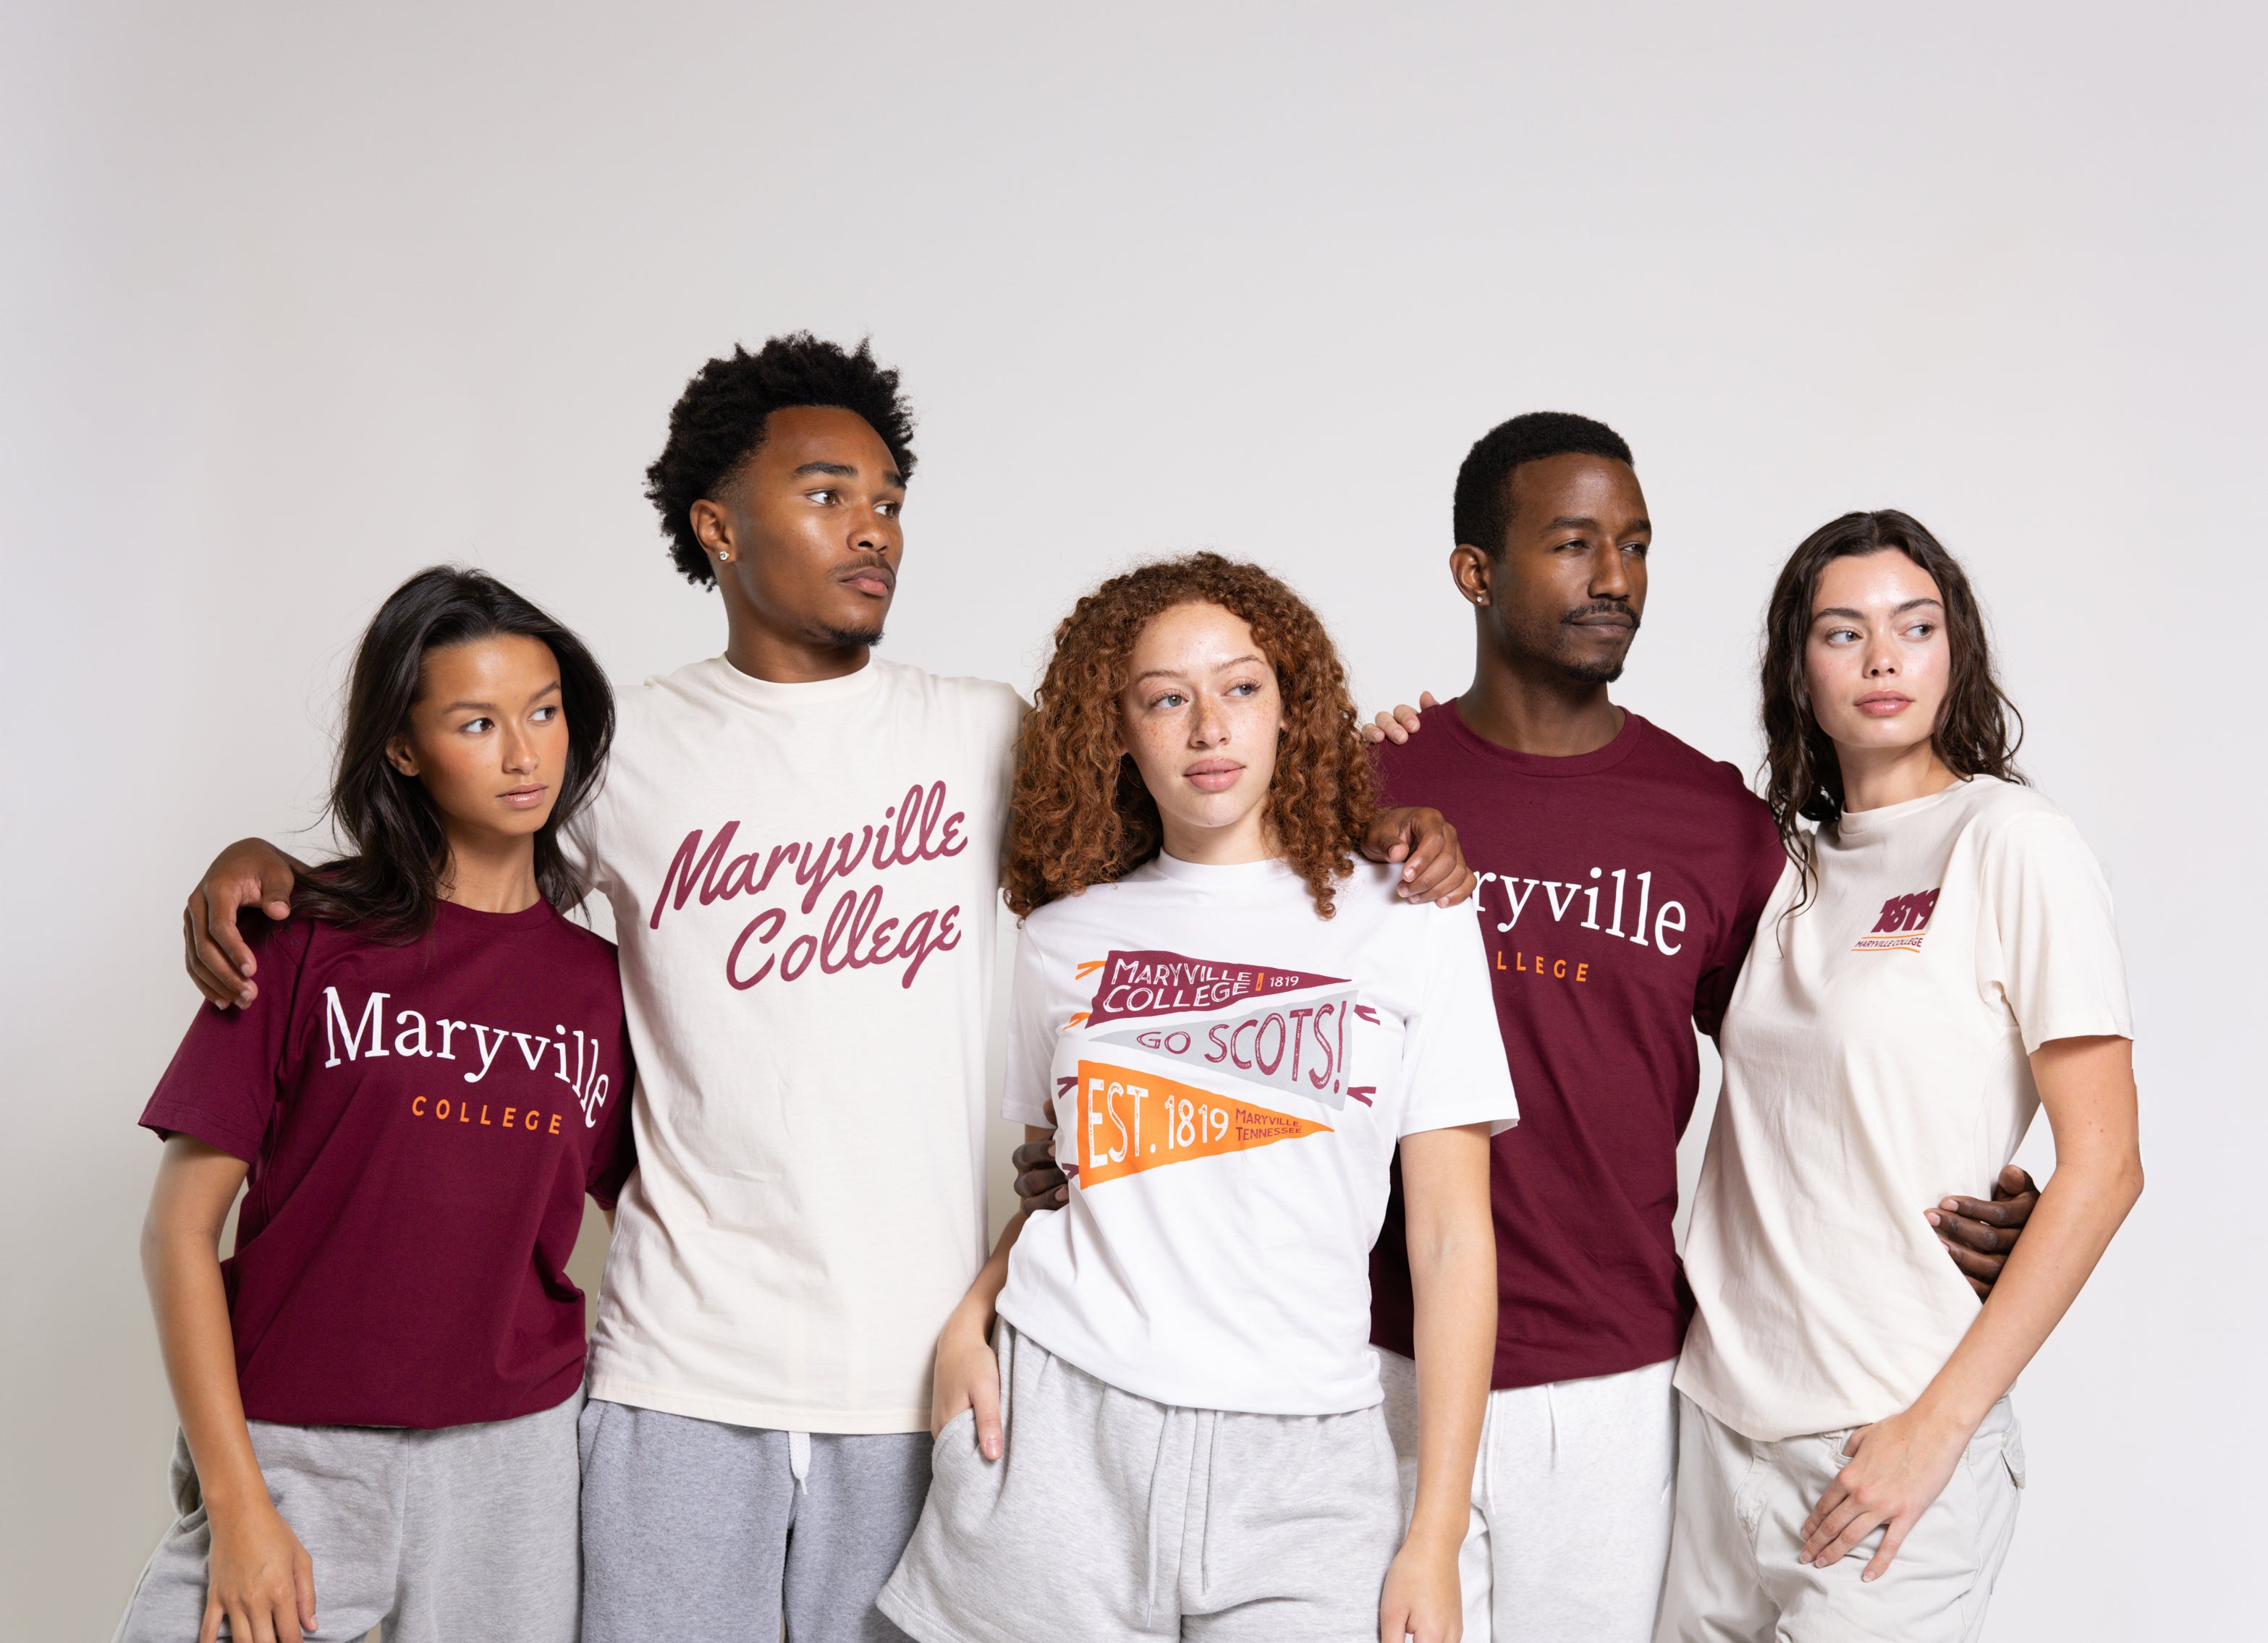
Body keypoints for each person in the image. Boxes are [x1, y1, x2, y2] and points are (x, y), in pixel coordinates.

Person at [177, 337, 1476, 1642]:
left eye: (889, 501)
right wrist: (282, 874)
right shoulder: (620, 757)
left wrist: (1375, 816)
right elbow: (460, 895)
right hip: (676, 1373)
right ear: (716, 528)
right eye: (824, 493)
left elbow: (1206, 812)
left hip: (929, 1387)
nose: (872, 530)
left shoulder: (991, 734)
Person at [1016, 415, 2037, 1643]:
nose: (1613, 577)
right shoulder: (1352, 783)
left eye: (1635, 545)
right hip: (1375, 1364)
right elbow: (1178, 960)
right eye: (1570, 544)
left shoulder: (1712, 820)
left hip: (1615, 1379)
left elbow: (1811, 1071)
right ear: (1475, 572)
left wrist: (1978, 1188)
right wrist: (1065, 1158)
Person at [879, 555, 1517, 1643]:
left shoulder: (1411, 915)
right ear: (1116, 733)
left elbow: (1453, 1240)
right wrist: (970, 1317)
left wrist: (1434, 1531)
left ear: (1290, 710)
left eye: (1240, 688)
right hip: (1060, 1435)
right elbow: (1069, 1178)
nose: (1208, 726)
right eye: (1165, 699)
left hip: (1305, 1455)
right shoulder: (1057, 939)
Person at [118, 567, 636, 1643]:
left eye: (543, 711)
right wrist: (239, 1502)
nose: (523, 751)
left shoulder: (604, 985)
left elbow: (652, 1211)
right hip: (295, 1447)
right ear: (403, 748)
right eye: (475, 722)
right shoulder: (304, 937)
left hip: (514, 1463)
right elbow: (177, 1229)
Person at [1655, 510, 2143, 1642]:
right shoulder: (1773, 865)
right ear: (1796, 668)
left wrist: (1935, 1432)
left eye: (1912, 626)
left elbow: (2106, 1163)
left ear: (1953, 651)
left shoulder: (2009, 841)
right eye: (1841, 632)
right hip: (1714, 1432)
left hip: (1884, 1439)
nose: (1881, 658)